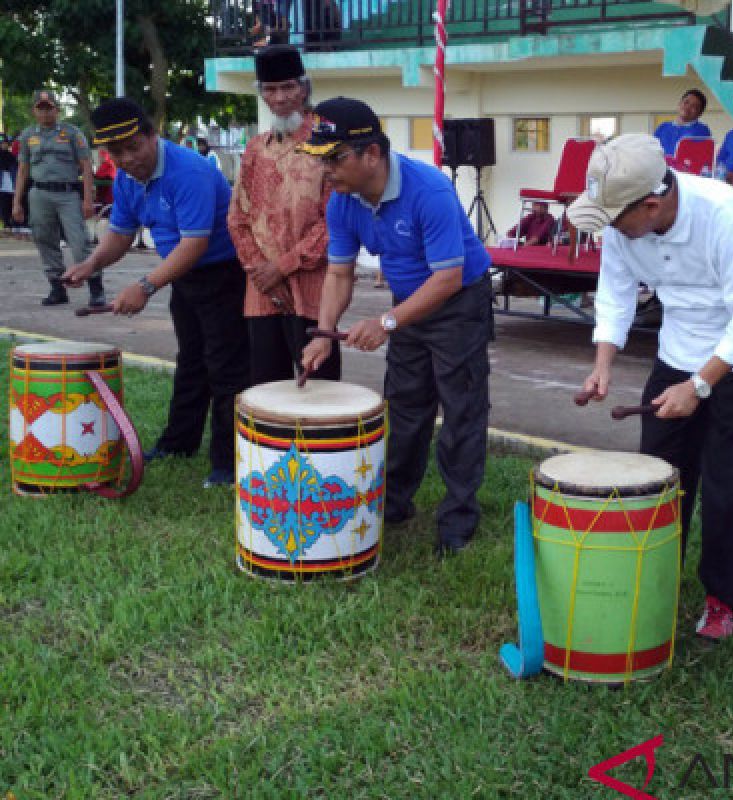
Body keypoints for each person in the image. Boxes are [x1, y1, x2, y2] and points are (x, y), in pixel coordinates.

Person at [568, 134, 733, 641]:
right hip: (677, 348)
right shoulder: (623, 225)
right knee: (660, 473)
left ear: (652, 203)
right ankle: (655, 577)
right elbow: (616, 294)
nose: (613, 232)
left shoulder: (728, 216)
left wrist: (701, 386)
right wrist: (604, 364)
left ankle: (723, 599)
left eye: (618, 220)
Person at [298, 97, 492, 556]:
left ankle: (459, 520)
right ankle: (396, 502)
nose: (326, 171)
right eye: (319, 159)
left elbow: (447, 278)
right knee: (404, 405)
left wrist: (386, 322)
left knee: (461, 411)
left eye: (335, 158)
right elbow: (339, 274)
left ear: (372, 154)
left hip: (459, 302)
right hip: (409, 303)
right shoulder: (343, 202)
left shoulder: (428, 191)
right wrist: (325, 333)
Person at [62, 98, 250, 489]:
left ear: (152, 135)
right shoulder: (127, 179)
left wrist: (145, 286)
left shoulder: (190, 171)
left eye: (134, 146)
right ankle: (179, 443)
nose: (128, 159)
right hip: (184, 276)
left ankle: (228, 464)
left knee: (225, 368)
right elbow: (121, 232)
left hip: (223, 274)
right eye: (117, 152)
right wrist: (90, 264)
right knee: (192, 362)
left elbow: (195, 243)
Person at [229, 44, 340, 386]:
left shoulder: (327, 143)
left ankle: (322, 443)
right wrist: (262, 273)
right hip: (262, 291)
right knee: (266, 385)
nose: (279, 98)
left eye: (288, 87)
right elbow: (238, 218)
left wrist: (283, 266)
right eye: (270, 89)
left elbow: (335, 222)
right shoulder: (255, 148)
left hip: (313, 288)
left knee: (319, 385)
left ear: (304, 88)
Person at [13, 89, 103, 307]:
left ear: (57, 109)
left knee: (79, 242)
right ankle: (56, 287)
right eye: (41, 109)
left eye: (49, 108)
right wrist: (17, 202)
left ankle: (95, 287)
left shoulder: (72, 133)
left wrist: (88, 198)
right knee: (45, 239)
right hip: (39, 194)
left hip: (67, 194)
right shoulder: (27, 136)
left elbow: (86, 166)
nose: (45, 113)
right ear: (34, 111)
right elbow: (23, 170)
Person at [653, 89, 712, 158]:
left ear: (700, 113)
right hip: (660, 167)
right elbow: (652, 151)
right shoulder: (663, 127)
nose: (688, 107)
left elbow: (702, 158)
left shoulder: (702, 131)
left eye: (694, 106)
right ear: (679, 103)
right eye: (686, 102)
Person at [0, 135, 16, 229]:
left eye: (5, 143)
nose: (4, 145)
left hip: (10, 185)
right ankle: (5, 223)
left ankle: (9, 223)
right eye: (2, 143)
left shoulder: (11, 156)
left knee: (10, 205)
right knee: (3, 206)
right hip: (2, 186)